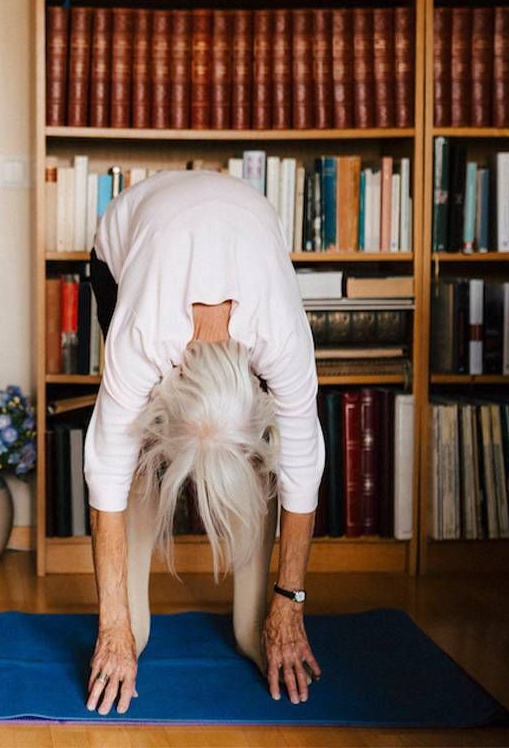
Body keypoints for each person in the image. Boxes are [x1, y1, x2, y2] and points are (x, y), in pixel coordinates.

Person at [80, 170, 326, 715]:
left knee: (251, 627)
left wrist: (287, 608)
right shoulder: (142, 338)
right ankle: (132, 619)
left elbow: (303, 468)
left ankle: (251, 618)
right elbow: (104, 470)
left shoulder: (281, 337)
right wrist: (114, 628)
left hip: (243, 228)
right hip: (126, 250)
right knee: (131, 449)